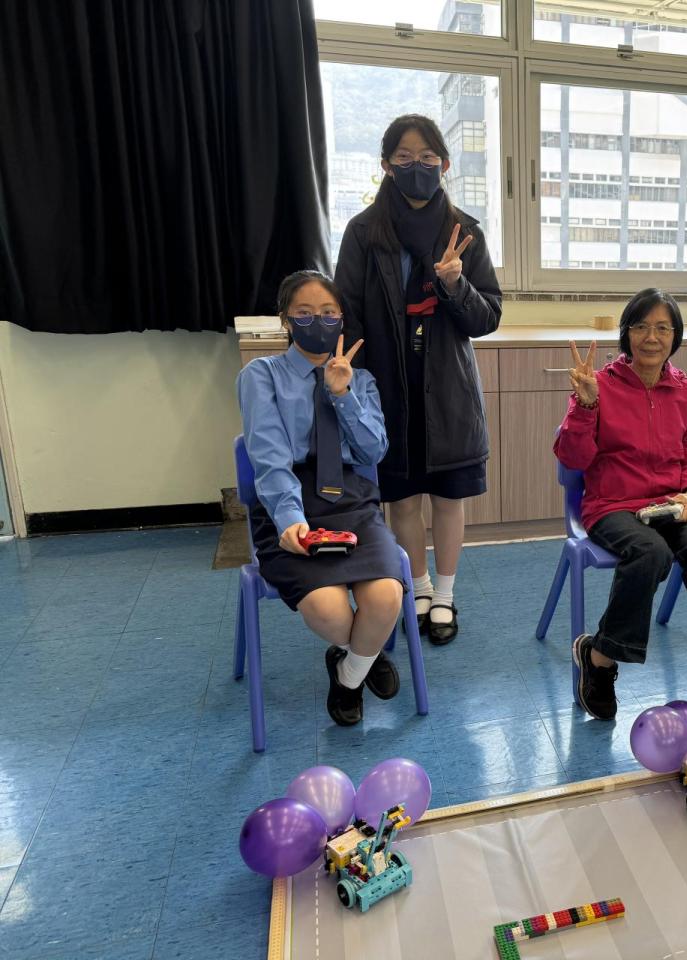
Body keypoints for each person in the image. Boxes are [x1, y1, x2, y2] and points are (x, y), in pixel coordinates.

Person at [336, 114, 501, 646]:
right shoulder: (364, 233)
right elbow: (348, 313)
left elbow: (487, 318)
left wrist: (455, 284)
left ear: (445, 164)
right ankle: (421, 587)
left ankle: (446, 594)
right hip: (387, 386)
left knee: (448, 498)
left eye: (427, 157)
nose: (417, 167)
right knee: (403, 499)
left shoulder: (465, 232)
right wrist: (357, 388)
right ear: (386, 166)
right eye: (404, 158)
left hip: (448, 388)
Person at [553, 289, 687, 721]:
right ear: (626, 333)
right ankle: (600, 659)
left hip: (671, 504)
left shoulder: (685, 390)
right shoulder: (600, 386)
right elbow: (573, 459)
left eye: (662, 328)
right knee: (650, 552)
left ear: (675, 336)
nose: (651, 337)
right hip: (611, 504)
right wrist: (586, 406)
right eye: (641, 326)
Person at [237, 270, 406, 727]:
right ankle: (364, 655)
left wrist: (342, 393)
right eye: (305, 313)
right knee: (328, 610)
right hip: (288, 502)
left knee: (386, 596)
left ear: (342, 319)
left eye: (329, 313)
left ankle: (348, 674)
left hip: (352, 501)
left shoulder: (360, 379)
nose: (319, 322)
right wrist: (289, 518)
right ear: (286, 320)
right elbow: (269, 457)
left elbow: (373, 452)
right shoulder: (261, 375)